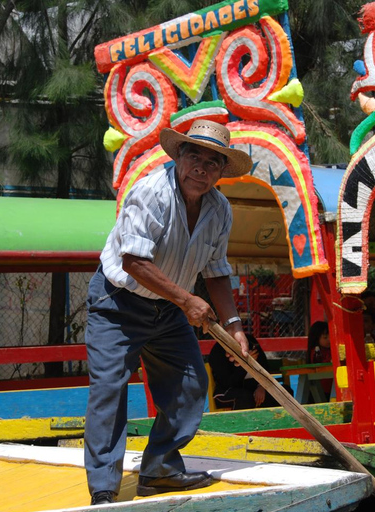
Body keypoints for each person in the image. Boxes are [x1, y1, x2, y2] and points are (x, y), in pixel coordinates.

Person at [83, 120, 253, 505]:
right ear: (179, 156)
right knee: (109, 390)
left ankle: (159, 470)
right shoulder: (152, 192)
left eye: (214, 163)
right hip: (118, 303)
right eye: (195, 155)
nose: (202, 168)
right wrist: (187, 300)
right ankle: (104, 491)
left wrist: (234, 326)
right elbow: (133, 262)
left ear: (222, 172)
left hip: (169, 309)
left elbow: (216, 272)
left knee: (191, 387)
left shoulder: (220, 210)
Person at [208, 333, 283, 410]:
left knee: (282, 393)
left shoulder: (250, 341)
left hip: (252, 387)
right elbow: (227, 383)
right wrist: (245, 363)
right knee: (245, 397)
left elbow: (264, 366)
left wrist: (262, 386)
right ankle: (239, 422)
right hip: (225, 391)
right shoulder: (218, 351)